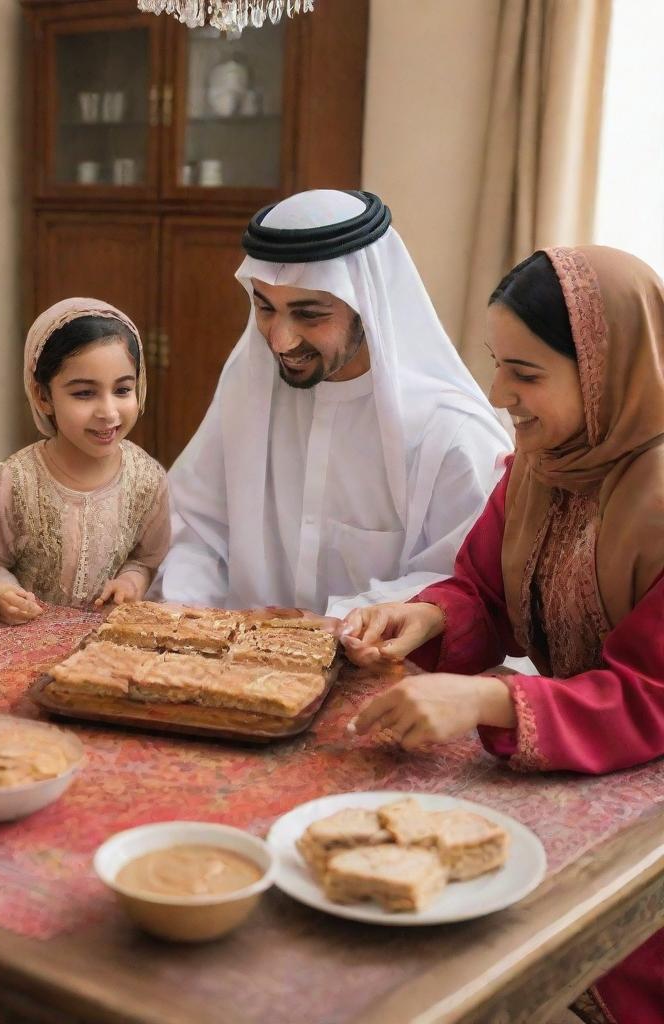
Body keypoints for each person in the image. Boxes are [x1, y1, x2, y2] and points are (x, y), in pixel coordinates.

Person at [342, 246, 664, 1024]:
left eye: (525, 373)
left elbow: (650, 695)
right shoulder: (544, 464)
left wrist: (489, 701)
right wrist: (427, 616)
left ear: (602, 371)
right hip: (579, 757)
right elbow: (486, 591)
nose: (498, 394)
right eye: (497, 364)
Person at [156, 190, 511, 616]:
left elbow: (466, 586)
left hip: (390, 672)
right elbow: (196, 528)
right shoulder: (249, 386)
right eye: (265, 308)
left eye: (309, 315)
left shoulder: (449, 431)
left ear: (366, 305)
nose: (280, 340)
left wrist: (335, 623)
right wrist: (186, 614)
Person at [0, 298, 169, 624]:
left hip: (106, 650)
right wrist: (2, 594)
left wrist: (132, 582)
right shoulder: (14, 480)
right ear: (43, 396)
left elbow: (146, 559)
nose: (108, 412)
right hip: (25, 646)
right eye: (84, 394)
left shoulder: (148, 479)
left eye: (122, 390)